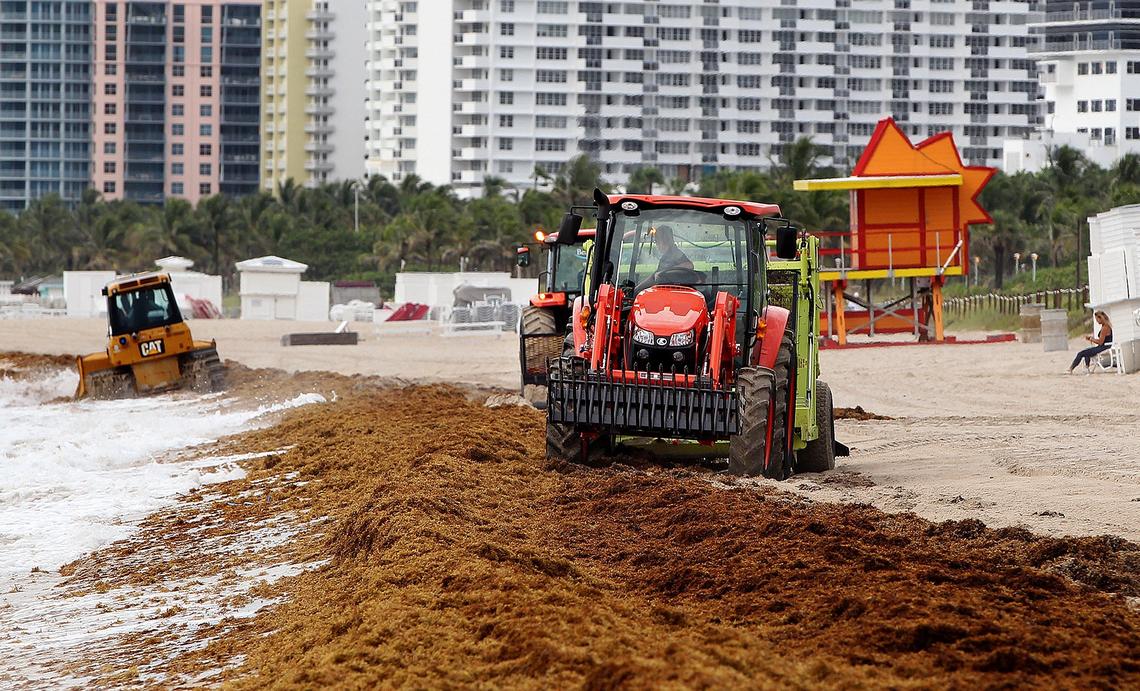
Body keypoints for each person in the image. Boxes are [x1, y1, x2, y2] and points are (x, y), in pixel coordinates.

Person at [635, 225, 693, 291]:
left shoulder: (675, 253)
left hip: (673, 293)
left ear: (665, 240)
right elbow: (653, 277)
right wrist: (637, 290)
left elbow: (689, 265)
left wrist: (667, 271)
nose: (656, 244)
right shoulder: (666, 256)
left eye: (657, 241)